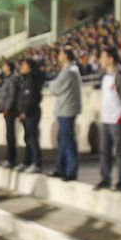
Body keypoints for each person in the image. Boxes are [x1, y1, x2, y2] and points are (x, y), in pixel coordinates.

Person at [93, 48, 121, 192]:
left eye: (103, 57)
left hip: (117, 117)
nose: (100, 60)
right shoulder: (105, 76)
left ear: (111, 59)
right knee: (105, 150)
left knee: (120, 151)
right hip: (106, 118)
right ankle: (105, 178)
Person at [49, 47, 82, 181]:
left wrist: (52, 83)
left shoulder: (69, 72)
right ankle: (61, 168)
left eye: (61, 54)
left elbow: (54, 88)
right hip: (65, 109)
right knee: (63, 141)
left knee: (68, 141)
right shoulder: (70, 70)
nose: (58, 56)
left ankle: (70, 170)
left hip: (66, 110)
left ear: (66, 56)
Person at [16, 59, 44, 173]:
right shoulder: (26, 79)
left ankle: (36, 163)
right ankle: (27, 161)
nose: (21, 67)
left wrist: (25, 112)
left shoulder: (31, 79)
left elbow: (31, 98)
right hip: (26, 113)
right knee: (27, 138)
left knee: (32, 138)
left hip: (31, 113)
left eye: (23, 64)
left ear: (29, 67)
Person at [0, 60, 21, 167]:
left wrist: (7, 108)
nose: (3, 67)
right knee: (9, 134)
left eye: (4, 66)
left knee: (10, 135)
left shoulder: (12, 79)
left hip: (10, 111)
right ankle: (10, 157)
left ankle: (11, 159)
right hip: (6, 110)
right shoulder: (6, 79)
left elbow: (12, 95)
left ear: (9, 67)